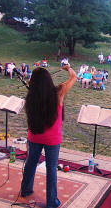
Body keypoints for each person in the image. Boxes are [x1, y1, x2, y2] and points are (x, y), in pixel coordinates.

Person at [21, 65, 77, 208]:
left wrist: (31, 82)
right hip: (52, 139)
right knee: (51, 168)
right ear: (48, 79)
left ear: (33, 82)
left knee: (31, 163)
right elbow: (74, 77)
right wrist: (68, 68)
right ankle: (52, 202)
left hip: (34, 136)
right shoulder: (58, 92)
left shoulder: (31, 95)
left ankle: (25, 190)